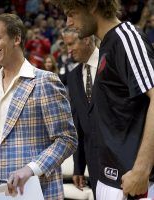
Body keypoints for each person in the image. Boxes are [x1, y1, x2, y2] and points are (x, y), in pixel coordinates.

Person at [50, 0, 154, 199]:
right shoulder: (108, 44)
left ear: (91, 5)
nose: (68, 22)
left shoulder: (126, 38)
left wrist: (142, 169)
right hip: (109, 177)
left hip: (133, 181)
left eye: (72, 13)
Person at [0, 13, 78, 199]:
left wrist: (31, 169)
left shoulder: (45, 81)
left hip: (36, 188)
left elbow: (67, 139)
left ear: (17, 38)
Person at [62, 27, 99, 197]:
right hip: (94, 162)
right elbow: (78, 124)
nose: (68, 51)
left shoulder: (113, 63)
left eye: (71, 44)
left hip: (124, 159)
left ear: (86, 39)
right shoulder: (73, 76)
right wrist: (78, 166)